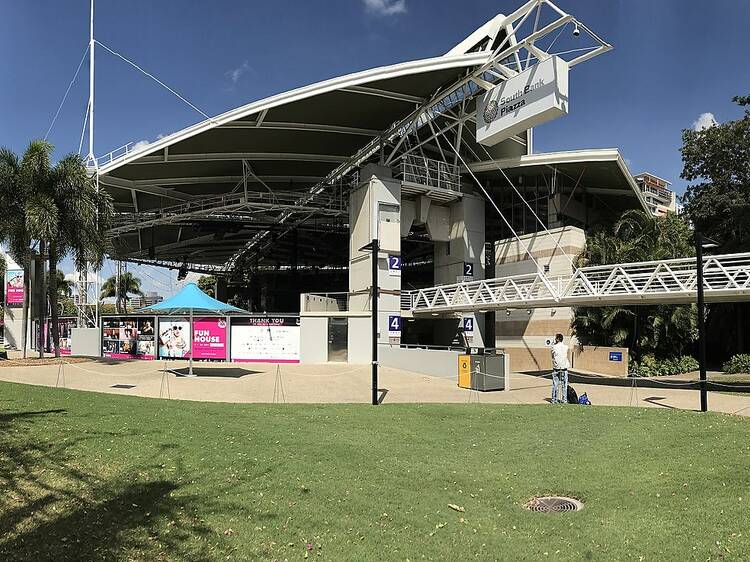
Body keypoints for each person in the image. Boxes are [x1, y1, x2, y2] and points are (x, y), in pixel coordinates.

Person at [550, 333, 569, 404]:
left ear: (557, 339)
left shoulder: (554, 347)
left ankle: (554, 399)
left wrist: (553, 343)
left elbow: (552, 356)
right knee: (564, 385)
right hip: (564, 367)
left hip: (556, 368)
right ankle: (564, 400)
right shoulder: (566, 347)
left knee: (555, 384)